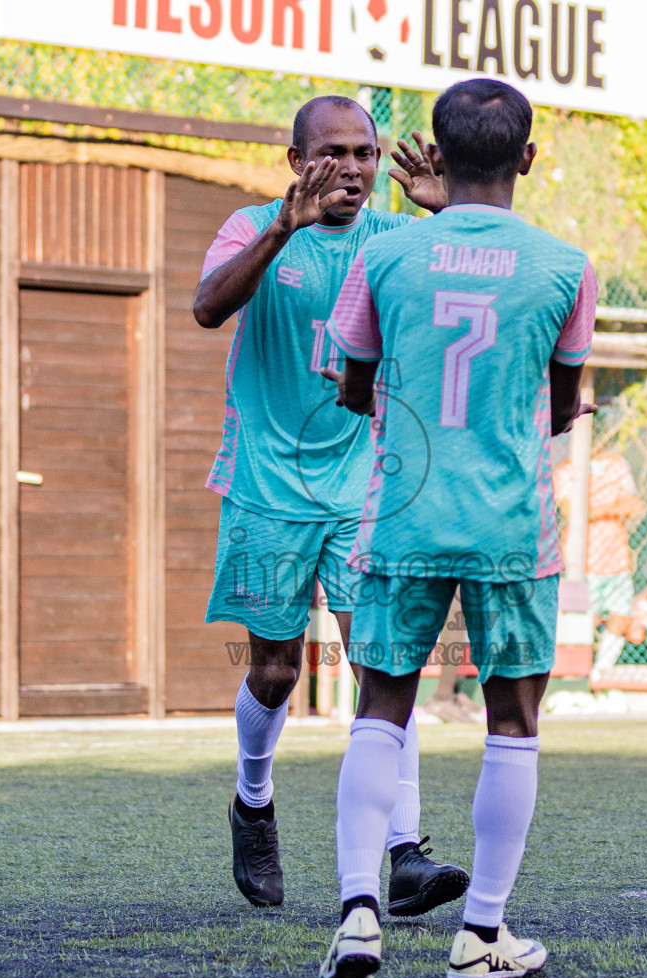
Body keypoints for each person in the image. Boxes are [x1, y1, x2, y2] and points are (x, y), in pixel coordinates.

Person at [316, 78, 595, 978]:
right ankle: (481, 937)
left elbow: (352, 386)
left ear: (435, 149)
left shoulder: (387, 257)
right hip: (510, 523)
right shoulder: (565, 265)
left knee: (380, 709)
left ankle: (359, 911)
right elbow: (561, 409)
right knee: (512, 722)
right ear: (526, 157)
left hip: (405, 509)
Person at [192, 95, 466, 913]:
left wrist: (452, 217)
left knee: (382, 668)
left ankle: (406, 853)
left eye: (366, 152)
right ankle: (252, 800)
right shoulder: (252, 226)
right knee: (274, 670)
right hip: (268, 487)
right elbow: (208, 306)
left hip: (363, 490)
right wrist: (286, 227)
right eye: (335, 152)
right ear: (295, 160)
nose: (352, 167)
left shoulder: (396, 238)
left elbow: (470, 282)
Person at [553, 443, 641, 684]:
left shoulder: (617, 465)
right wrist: (612, 508)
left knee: (621, 615)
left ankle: (600, 673)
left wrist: (594, 509)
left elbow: (633, 505)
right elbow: (572, 512)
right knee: (585, 618)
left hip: (617, 555)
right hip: (584, 559)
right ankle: (578, 673)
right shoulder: (566, 471)